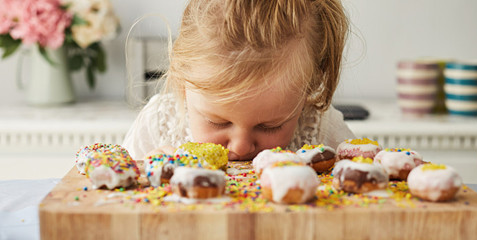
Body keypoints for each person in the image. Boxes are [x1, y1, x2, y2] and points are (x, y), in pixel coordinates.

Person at [123, 0, 356, 161]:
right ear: (182, 83)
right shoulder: (156, 127)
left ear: (307, 93)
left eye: (269, 126)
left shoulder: (323, 133)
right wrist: (147, 181)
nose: (241, 147)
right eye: (218, 122)